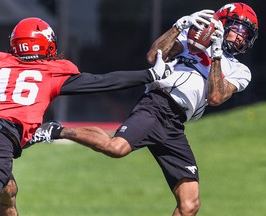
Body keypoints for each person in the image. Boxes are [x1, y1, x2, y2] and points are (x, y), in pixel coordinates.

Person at [31, 3, 258, 216]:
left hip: (176, 123)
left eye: (245, 35)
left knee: (190, 204)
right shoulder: (191, 44)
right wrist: (179, 27)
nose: (241, 38)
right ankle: (57, 130)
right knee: (116, 147)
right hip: (157, 104)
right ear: (222, 23)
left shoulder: (240, 70)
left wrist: (216, 53)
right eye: (238, 30)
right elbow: (153, 55)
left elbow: (216, 96)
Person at [0, 17, 168, 215]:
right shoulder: (53, 71)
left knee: (9, 191)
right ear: (46, 44)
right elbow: (103, 81)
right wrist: (151, 75)